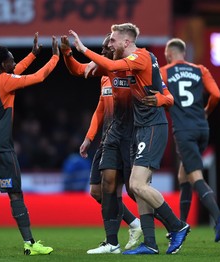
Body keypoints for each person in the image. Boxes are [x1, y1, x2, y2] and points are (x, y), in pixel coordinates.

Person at [69, 23, 190, 255]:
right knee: (138, 187)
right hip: (139, 128)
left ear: (126, 42)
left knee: (136, 186)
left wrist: (82, 48)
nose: (108, 44)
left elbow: (166, 97)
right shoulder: (133, 66)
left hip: (151, 127)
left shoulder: (140, 58)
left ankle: (177, 225)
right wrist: (66, 53)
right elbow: (166, 95)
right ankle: (150, 244)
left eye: (112, 40)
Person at [0, 33, 59, 257]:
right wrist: (54, 58)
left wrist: (33, 54)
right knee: (15, 193)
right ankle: (29, 244)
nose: (14, 63)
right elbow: (38, 77)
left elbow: (14, 73)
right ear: (2, 64)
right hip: (0, 147)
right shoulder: (6, 81)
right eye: (11, 60)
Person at [143, 38, 220, 242]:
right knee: (184, 175)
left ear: (170, 53)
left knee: (195, 176)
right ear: (184, 52)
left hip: (184, 130)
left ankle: (218, 218)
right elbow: (216, 94)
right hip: (202, 128)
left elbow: (156, 94)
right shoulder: (200, 69)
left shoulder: (164, 71)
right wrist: (207, 110)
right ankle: (182, 224)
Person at [64, 34, 143, 251]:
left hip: (126, 140)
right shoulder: (104, 76)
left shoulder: (128, 70)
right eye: (102, 48)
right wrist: (89, 137)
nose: (104, 50)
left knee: (127, 189)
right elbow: (100, 108)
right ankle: (134, 224)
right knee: (97, 191)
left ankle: (163, 226)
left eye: (107, 47)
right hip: (107, 138)